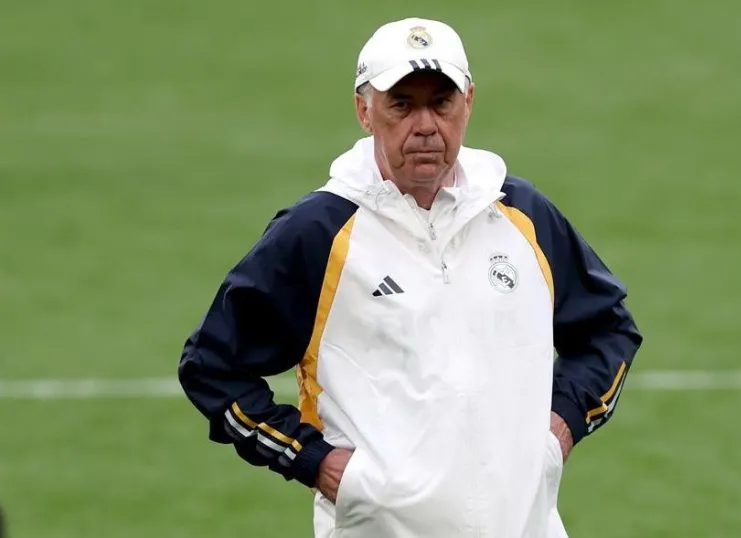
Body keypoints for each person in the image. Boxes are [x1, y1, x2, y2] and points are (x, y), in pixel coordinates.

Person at [178, 16, 642, 538]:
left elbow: (609, 328)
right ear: (364, 110)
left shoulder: (523, 216)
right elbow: (211, 366)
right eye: (402, 104)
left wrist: (558, 431)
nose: (425, 125)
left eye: (441, 103)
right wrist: (314, 461)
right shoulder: (318, 233)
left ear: (468, 102)